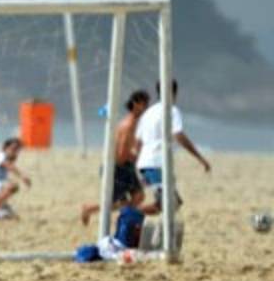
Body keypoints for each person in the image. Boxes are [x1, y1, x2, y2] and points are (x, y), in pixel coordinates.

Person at [135, 80, 210, 216]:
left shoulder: (148, 113)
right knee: (170, 203)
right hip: (157, 164)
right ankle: (129, 213)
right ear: (174, 93)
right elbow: (178, 135)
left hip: (144, 164)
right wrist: (200, 158)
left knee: (170, 203)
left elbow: (138, 142)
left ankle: (132, 215)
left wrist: (136, 164)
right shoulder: (172, 110)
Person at [80, 90, 150, 225]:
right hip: (117, 168)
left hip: (124, 167)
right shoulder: (129, 125)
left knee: (138, 196)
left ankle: (125, 219)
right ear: (135, 104)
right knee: (117, 202)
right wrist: (138, 159)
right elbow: (122, 154)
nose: (146, 107)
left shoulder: (132, 123)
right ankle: (90, 208)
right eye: (144, 104)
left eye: (147, 104)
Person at [0, 137, 29, 220]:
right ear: (5, 148)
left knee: (11, 214)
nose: (15, 152)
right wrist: (22, 176)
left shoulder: (5, 158)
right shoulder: (0, 156)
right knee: (12, 186)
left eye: (17, 150)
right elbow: (8, 165)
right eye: (13, 149)